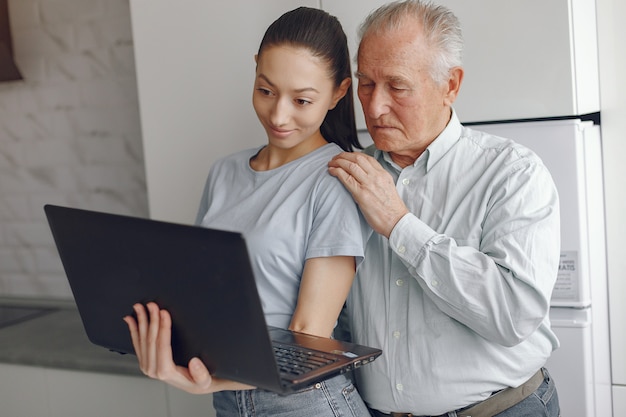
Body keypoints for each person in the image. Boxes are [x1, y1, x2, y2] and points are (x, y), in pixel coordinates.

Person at [124, 6, 372, 417]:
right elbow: (202, 293)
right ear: (255, 69)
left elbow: (309, 336)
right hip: (230, 401)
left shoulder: (336, 180)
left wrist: (206, 379)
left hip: (306, 403)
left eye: (302, 100)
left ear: (339, 92)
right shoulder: (223, 173)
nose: (278, 115)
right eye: (266, 90)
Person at [328, 1, 561, 416]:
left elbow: (512, 315)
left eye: (397, 87)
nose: (375, 106)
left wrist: (400, 226)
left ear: (450, 85)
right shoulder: (350, 176)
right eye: (366, 84)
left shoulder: (513, 173)